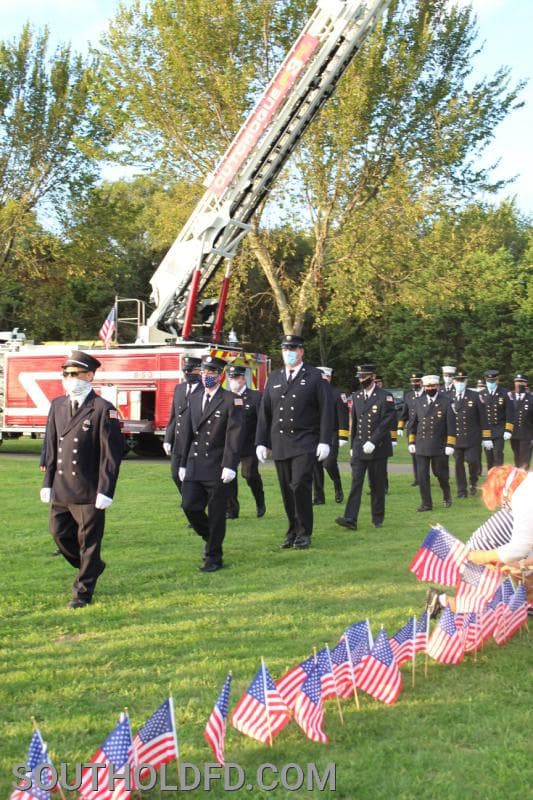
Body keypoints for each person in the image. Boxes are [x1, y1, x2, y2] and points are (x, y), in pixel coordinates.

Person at [40, 351, 124, 608]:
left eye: (75, 374)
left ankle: (83, 592)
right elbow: (50, 445)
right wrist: (47, 482)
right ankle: (92, 567)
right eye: (66, 374)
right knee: (59, 535)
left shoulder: (102, 409)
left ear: (90, 376)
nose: (69, 379)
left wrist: (106, 489)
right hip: (62, 487)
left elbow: (112, 454)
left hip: (88, 489)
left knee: (89, 543)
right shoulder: (57, 405)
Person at [255, 334, 332, 550]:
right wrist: (261, 441)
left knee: (299, 486)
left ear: (301, 351)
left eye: (293, 348)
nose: (289, 352)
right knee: (286, 489)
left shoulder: (315, 376)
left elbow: (327, 410)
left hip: (305, 441)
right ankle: (292, 530)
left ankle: (305, 531)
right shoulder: (275, 377)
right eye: (285, 348)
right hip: (280, 442)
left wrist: (325, 440)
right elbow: (265, 412)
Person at [426, 465, 533, 616]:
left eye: (502, 503)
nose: (504, 507)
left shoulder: (523, 497)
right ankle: (441, 600)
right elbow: (519, 550)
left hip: (488, 552)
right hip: (483, 552)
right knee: (478, 603)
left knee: (525, 576)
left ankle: (528, 602)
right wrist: (517, 564)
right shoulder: (526, 489)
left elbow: (519, 549)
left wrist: (519, 565)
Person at [178, 355, 245, 572]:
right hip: (195, 464)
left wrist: (230, 465)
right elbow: (187, 432)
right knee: (189, 505)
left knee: (217, 514)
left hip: (217, 466)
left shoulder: (231, 400)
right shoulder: (194, 398)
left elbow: (234, 435)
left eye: (212, 373)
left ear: (220, 375)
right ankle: (211, 538)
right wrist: (181, 462)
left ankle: (213, 557)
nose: (207, 376)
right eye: (204, 372)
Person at [335, 363, 396, 531]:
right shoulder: (356, 396)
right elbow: (355, 422)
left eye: (365, 377)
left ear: (373, 377)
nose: (362, 380)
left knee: (376, 485)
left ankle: (377, 518)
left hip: (378, 447)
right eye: (360, 377)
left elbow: (387, 421)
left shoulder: (385, 396)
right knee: (356, 482)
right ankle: (350, 518)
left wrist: (373, 441)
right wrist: (353, 443)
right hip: (360, 446)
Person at [407, 374, 456, 512]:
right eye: (427, 386)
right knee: (422, 476)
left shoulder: (446, 402)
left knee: (440, 474)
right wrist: (411, 441)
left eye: (432, 386)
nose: (430, 388)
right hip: (421, 445)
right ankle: (426, 503)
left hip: (439, 445)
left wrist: (450, 444)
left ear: (437, 386)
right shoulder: (418, 401)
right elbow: (413, 424)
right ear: (423, 386)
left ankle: (446, 495)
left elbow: (451, 425)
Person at [225, 364, 265, 519]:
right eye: (230, 378)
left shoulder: (255, 397)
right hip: (231, 445)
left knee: (249, 475)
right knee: (229, 476)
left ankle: (260, 500)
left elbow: (262, 421)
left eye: (235, 378)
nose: (232, 381)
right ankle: (232, 509)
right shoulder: (226, 397)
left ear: (243, 379)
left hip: (249, 444)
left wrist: (262, 442)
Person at [163, 355, 203, 491]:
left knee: (190, 476)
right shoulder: (179, 388)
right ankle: (187, 498)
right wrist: (168, 439)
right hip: (178, 441)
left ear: (199, 371)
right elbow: (174, 416)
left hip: (193, 442)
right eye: (185, 371)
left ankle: (191, 501)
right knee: (175, 475)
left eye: (190, 371)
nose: (187, 374)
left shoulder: (204, 391)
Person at [312, 366, 349, 505]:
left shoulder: (337, 394)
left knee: (329, 463)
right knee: (315, 466)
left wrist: (343, 435)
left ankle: (337, 485)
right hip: (315, 433)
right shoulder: (313, 393)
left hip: (332, 433)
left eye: (325, 377)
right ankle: (319, 496)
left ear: (329, 377)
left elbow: (343, 415)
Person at [451, 369, 487, 498]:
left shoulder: (475, 396)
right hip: (456, 438)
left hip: (472, 438)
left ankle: (473, 481)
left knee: (473, 461)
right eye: (458, 380)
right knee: (458, 464)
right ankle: (461, 490)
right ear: (454, 381)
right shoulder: (449, 397)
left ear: (466, 381)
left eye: (462, 380)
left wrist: (486, 436)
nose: (460, 382)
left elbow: (483, 417)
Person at [479, 367, 514, 470]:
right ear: (486, 381)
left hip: (499, 429)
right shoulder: (481, 394)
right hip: (486, 431)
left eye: (493, 381)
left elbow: (510, 413)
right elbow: (479, 415)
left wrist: (508, 430)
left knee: (498, 455)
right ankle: (491, 480)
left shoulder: (505, 393)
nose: (491, 383)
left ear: (497, 380)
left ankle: (498, 480)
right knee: (489, 457)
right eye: (489, 381)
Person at [397, 371, 424, 486]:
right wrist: (400, 427)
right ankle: (417, 478)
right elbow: (405, 413)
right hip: (412, 431)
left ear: (422, 382)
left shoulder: (427, 394)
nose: (414, 383)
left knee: (423, 455)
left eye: (417, 381)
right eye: (412, 381)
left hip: (424, 429)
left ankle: (424, 477)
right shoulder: (409, 395)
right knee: (414, 454)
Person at [509, 373, 533, 469]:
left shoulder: (531, 398)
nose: (519, 384)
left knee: (524, 460)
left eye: (522, 382)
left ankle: (523, 479)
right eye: (517, 382)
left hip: (527, 434)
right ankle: (518, 479)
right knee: (517, 459)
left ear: (526, 384)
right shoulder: (510, 397)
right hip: (513, 434)